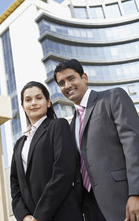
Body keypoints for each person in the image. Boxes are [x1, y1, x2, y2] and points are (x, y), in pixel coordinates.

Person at [54, 59, 139, 221]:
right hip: (91, 207)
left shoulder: (113, 97)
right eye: (62, 83)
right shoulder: (72, 124)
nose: (67, 85)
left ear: (84, 77)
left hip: (123, 200)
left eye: (71, 78)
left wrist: (136, 193)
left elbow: (133, 144)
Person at [10, 81, 84, 221]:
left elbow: (63, 172)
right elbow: (15, 186)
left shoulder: (58, 126)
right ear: (22, 106)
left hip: (62, 215)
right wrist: (25, 216)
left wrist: (39, 216)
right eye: (28, 100)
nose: (33, 103)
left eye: (39, 98)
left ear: (48, 102)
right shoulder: (19, 143)